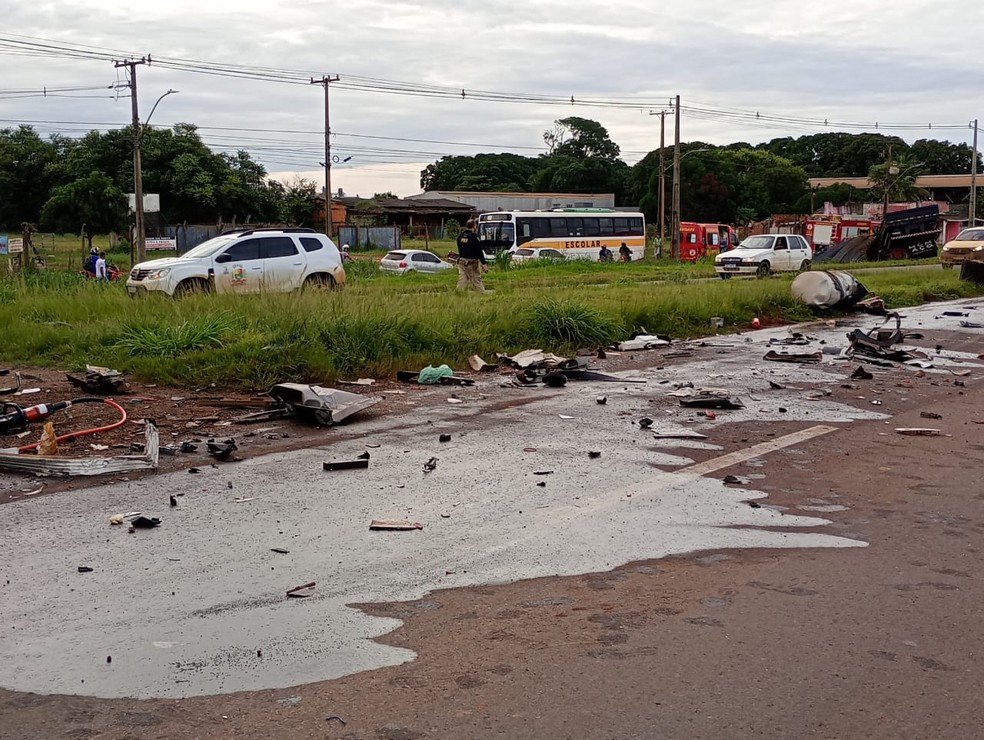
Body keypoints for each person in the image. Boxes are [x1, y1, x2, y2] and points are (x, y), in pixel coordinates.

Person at [455, 219, 487, 292]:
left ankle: (458, 295)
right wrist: (484, 263)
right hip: (472, 263)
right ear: (474, 226)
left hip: (461, 262)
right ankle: (482, 295)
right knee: (476, 280)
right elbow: (479, 252)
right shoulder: (474, 237)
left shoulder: (460, 236)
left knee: (462, 280)